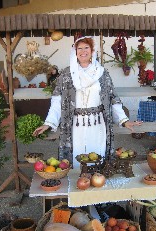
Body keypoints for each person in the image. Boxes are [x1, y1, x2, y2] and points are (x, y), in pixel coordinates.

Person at [33, 36, 142, 168]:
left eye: (86, 48)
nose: (83, 51)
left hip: (98, 123)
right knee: (77, 156)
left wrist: (124, 120)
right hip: (75, 124)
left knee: (97, 154)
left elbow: (113, 98)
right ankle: (78, 182)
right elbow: (57, 100)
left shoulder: (102, 73)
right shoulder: (67, 74)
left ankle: (98, 180)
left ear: (92, 51)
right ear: (75, 51)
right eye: (80, 48)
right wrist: (49, 123)